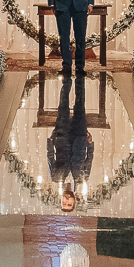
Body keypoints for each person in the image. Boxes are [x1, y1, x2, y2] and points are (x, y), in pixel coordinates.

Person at [47, 74, 93, 212]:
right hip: (79, 139)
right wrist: (90, 144)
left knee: (63, 106)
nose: (66, 200)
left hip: (62, 137)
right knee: (80, 105)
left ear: (61, 200)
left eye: (64, 203)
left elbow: (50, 157)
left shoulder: (56, 178)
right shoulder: (81, 179)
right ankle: (80, 78)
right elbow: (89, 159)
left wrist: (50, 140)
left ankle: (66, 80)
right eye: (69, 203)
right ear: (74, 201)